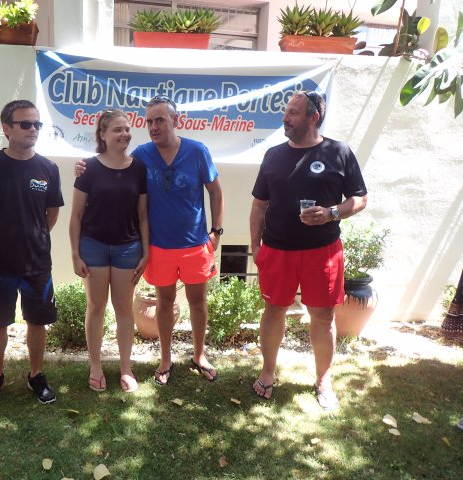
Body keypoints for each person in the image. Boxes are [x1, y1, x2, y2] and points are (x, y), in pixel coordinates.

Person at [77, 96, 224, 386]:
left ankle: (199, 355)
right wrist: (84, 169)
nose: (153, 126)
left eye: (160, 120)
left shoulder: (197, 151)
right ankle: (165, 359)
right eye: (149, 121)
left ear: (175, 121)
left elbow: (216, 191)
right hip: (159, 246)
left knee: (198, 302)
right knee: (164, 303)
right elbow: (113, 164)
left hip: (195, 244)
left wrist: (216, 231)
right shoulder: (142, 155)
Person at [249, 91, 367, 410]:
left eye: (293, 113)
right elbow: (259, 206)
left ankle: (323, 379)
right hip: (277, 249)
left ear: (313, 117)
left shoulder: (339, 152)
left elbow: (359, 199)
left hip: (322, 251)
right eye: (286, 112)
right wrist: (255, 246)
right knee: (273, 311)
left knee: (323, 316)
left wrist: (331, 212)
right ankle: (268, 371)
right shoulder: (273, 155)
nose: (285, 118)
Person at [0, 100, 64, 407]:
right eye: (25, 124)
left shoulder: (48, 168)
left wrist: (33, 236)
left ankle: (36, 375)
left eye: (37, 124)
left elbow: (51, 213)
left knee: (37, 321)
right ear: (7, 128)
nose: (33, 129)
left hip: (37, 262)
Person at [69, 109, 149, 393]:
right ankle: (95, 366)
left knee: (124, 308)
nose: (124, 134)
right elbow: (76, 215)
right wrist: (75, 254)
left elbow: (143, 216)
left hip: (128, 248)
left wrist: (146, 252)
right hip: (93, 247)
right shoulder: (88, 168)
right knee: (96, 306)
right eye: (117, 129)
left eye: (127, 129)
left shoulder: (139, 168)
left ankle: (126, 368)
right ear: (102, 135)